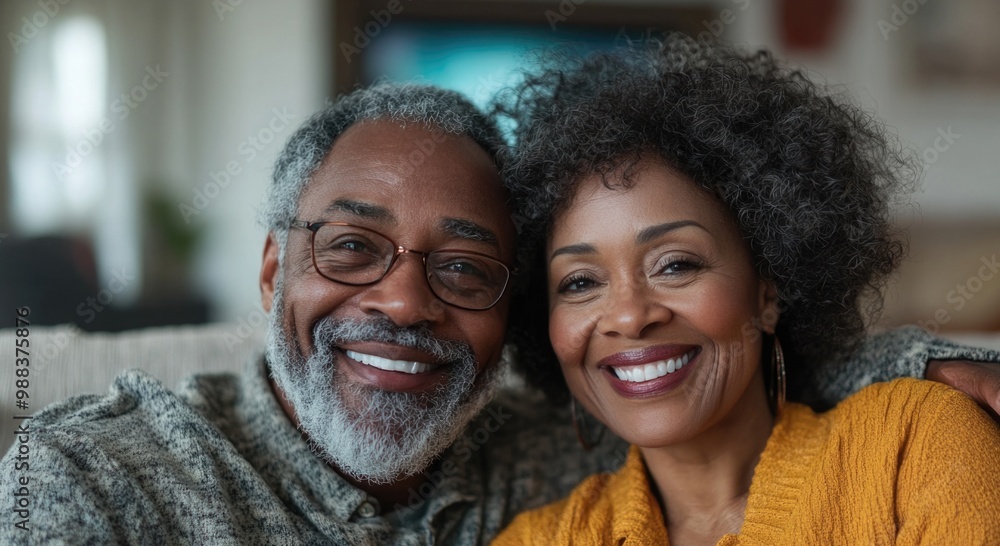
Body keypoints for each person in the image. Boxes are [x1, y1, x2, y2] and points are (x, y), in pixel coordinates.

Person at [1, 81, 998, 546]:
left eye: (465, 268)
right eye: (350, 247)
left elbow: (703, 398)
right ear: (272, 272)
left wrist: (905, 363)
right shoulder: (90, 480)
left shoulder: (553, 446)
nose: (403, 300)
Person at [492, 37, 1000, 545]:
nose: (628, 315)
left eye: (675, 265)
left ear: (767, 292)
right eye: (580, 282)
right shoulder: (537, 540)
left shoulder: (916, 448)